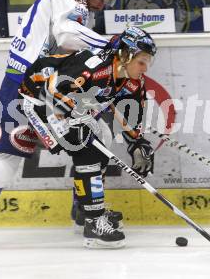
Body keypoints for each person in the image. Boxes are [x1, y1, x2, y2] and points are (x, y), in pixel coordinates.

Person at [0, 0, 119, 252]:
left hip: (22, 83)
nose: (103, 3)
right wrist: (110, 44)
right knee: (94, 140)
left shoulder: (62, 0)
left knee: (13, 155)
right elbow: (65, 34)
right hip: (36, 86)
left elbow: (62, 45)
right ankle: (88, 214)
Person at [20, 26, 157, 248]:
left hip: (74, 106)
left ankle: (85, 209)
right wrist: (73, 117)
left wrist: (137, 143)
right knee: (87, 149)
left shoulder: (133, 80)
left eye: (148, 62)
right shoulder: (95, 67)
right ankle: (94, 223)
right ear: (125, 54)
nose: (145, 68)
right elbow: (52, 89)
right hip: (39, 101)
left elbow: (132, 115)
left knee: (103, 141)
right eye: (142, 61)